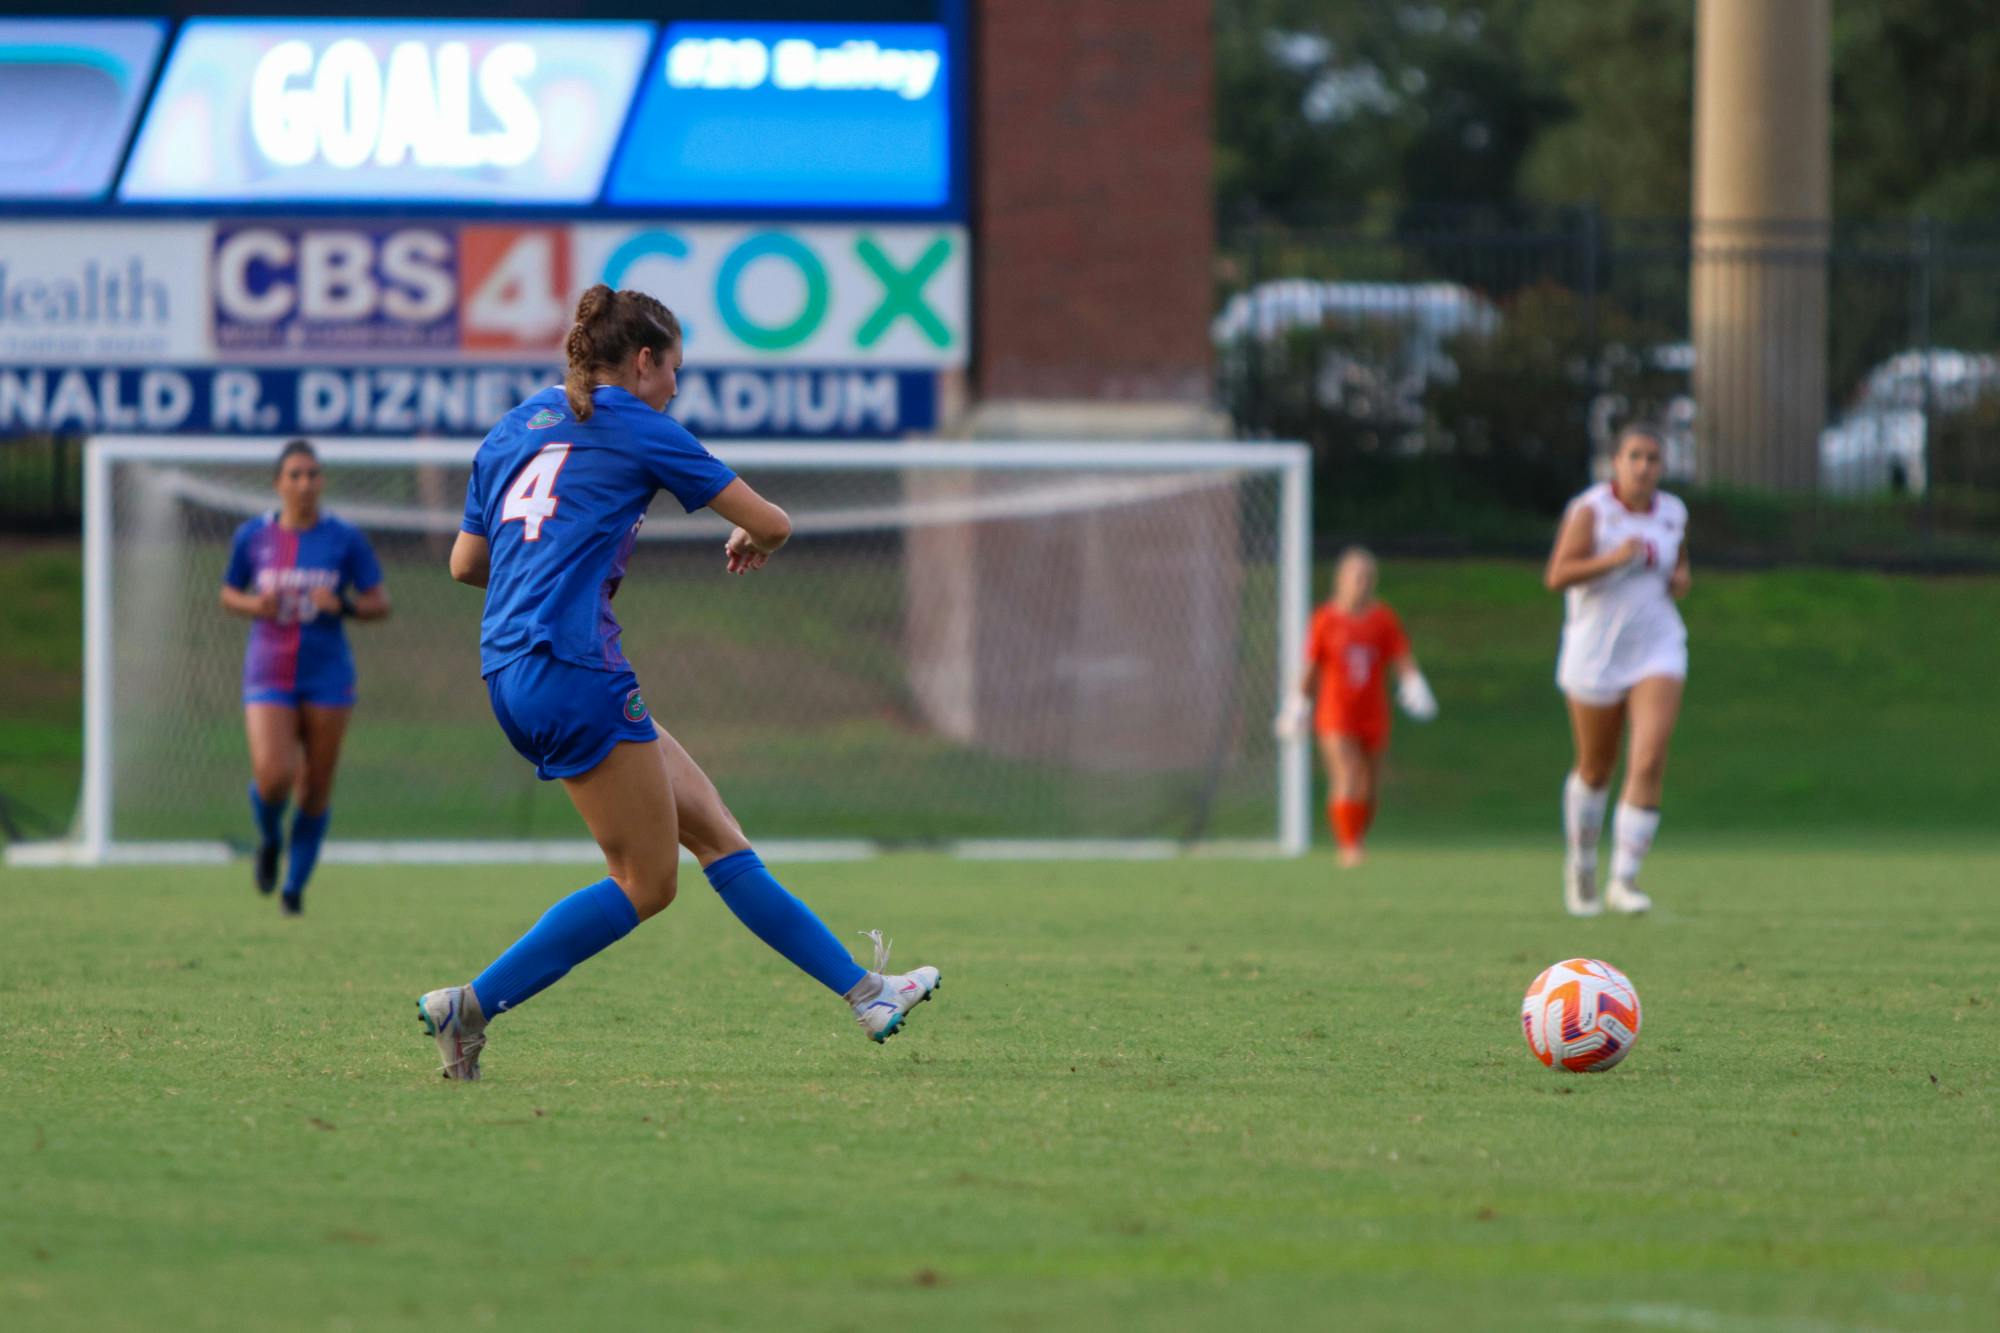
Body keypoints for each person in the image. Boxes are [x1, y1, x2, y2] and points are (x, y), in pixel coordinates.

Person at [415, 285, 940, 1081]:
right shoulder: (637, 423)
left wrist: (551, 552)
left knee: (717, 833)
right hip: (575, 665)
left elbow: (465, 564)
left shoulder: (512, 426)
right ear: (644, 360)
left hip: (509, 669)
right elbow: (773, 523)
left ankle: (869, 992)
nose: (674, 389)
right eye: (674, 372)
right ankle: (471, 1004)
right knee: (646, 883)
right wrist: (745, 533)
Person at [219, 440, 390, 915]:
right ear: (278, 483)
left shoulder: (344, 538)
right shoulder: (252, 537)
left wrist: (347, 605)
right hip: (269, 670)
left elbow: (380, 602)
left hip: (328, 675)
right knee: (274, 777)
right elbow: (229, 593)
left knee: (315, 785)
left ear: (323, 482)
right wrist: (256, 604)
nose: (304, 483)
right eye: (294, 474)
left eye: (312, 474)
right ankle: (271, 839)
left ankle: (293, 889)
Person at [1544, 425, 1691, 916]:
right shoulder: (1592, 511)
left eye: (1653, 457)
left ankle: (1624, 880)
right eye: (1635, 456)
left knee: (1648, 759)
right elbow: (1558, 575)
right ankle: (1582, 861)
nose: (1644, 466)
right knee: (1595, 766)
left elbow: (1678, 568)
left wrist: (1681, 577)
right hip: (1596, 653)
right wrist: (1613, 559)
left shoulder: (1673, 513)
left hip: (1656, 647)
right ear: (1616, 462)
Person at [1276, 547, 1436, 866]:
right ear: (1342, 579)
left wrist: (1415, 685)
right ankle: (1348, 847)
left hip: (1372, 712)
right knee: (1347, 773)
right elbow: (1311, 666)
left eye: (1367, 577)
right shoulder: (1325, 619)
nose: (1362, 583)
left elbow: (1400, 657)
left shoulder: (1382, 619)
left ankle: (1356, 839)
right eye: (1356, 576)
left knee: (1369, 785)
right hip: (1336, 713)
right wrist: (1297, 705)